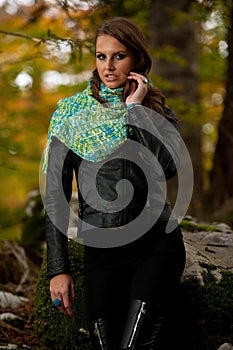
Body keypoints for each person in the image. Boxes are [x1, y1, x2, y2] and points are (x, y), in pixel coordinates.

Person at [44, 17, 186, 349]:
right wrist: (58, 270)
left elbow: (167, 167)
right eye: (101, 56)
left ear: (136, 59)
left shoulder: (158, 114)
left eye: (119, 56)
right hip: (102, 253)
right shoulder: (71, 117)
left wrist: (134, 110)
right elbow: (55, 196)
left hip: (155, 245)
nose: (108, 66)